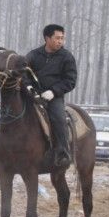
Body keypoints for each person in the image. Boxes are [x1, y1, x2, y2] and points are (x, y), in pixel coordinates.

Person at [25, 24, 77, 169]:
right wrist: (28, 86)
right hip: (32, 95)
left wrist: (53, 91)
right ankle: (1, 148)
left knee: (59, 118)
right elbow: (24, 72)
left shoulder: (67, 57)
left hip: (54, 97)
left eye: (62, 38)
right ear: (47, 38)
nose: (60, 41)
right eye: (57, 38)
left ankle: (62, 153)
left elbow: (70, 80)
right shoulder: (33, 55)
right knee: (13, 111)